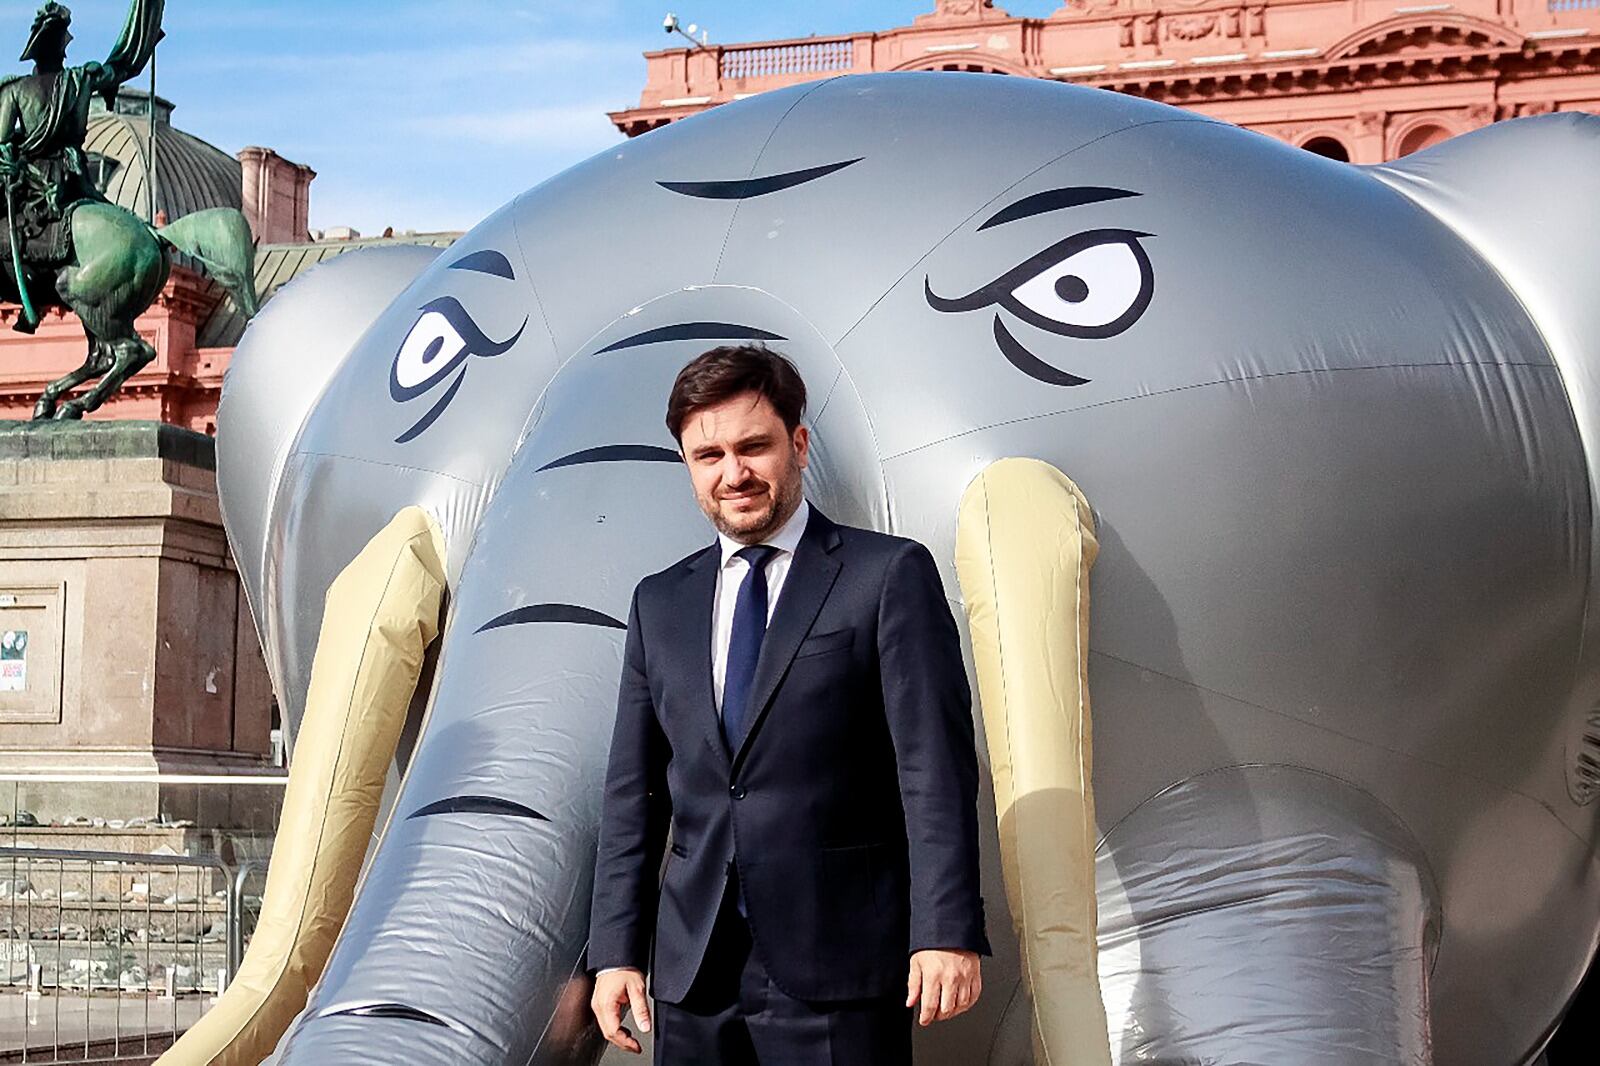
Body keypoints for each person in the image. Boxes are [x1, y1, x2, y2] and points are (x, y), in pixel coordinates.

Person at [588, 345, 990, 1065]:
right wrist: (615, 952)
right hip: (693, 973)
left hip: (838, 967)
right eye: (707, 455)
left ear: (797, 444)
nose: (732, 474)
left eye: (753, 447)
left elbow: (933, 770)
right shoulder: (660, 602)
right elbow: (633, 795)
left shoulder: (887, 575)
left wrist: (946, 930)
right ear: (687, 466)